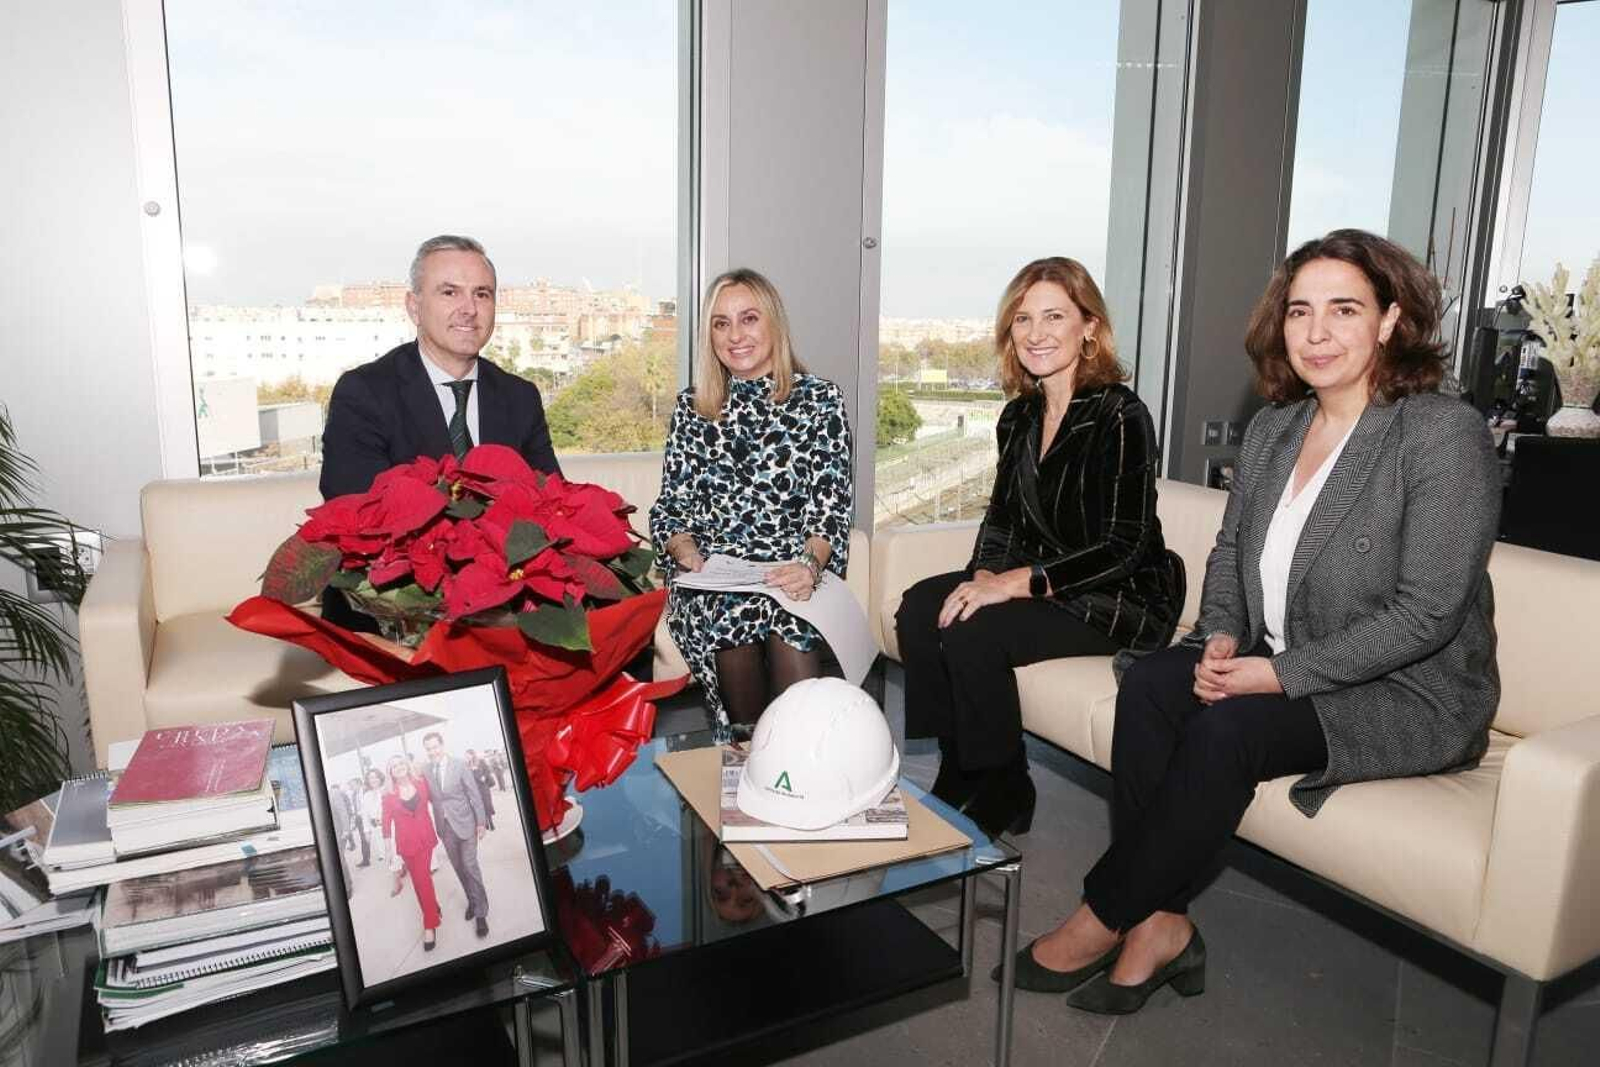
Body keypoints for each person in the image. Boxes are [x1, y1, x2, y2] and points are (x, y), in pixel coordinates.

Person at [1007, 229, 1501, 1015]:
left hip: (1407, 690)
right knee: (1152, 685)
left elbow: (1428, 613)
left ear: (1389, 319)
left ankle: (1105, 912)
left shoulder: (1440, 433)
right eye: (1300, 311)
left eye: (1344, 309)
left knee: (1226, 729)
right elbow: (1233, 553)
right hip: (1283, 653)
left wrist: (1274, 673)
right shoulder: (1275, 430)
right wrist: (1226, 634)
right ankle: (1164, 921)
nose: (1316, 331)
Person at [894, 257, 1183, 839]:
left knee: (974, 628)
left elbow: (1123, 545)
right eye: (1023, 319)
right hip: (1044, 584)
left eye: (1055, 316)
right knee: (924, 607)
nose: (1037, 333)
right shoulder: (1019, 414)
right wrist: (979, 575)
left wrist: (1011, 584)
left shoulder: (1121, 415)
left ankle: (1004, 783)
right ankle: (959, 768)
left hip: (1114, 597)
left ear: (1090, 327)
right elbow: (1002, 519)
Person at [318, 234, 561, 629]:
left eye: (482, 294)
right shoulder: (364, 393)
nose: (469, 309)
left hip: (505, 605)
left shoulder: (520, 397)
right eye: (449, 292)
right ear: (414, 306)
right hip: (389, 610)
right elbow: (360, 517)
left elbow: (548, 504)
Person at [649, 268, 854, 734]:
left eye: (748, 319)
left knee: (790, 627)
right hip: (717, 577)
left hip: (794, 567)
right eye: (721, 324)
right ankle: (749, 756)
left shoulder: (819, 401)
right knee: (734, 620)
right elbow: (672, 507)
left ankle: (797, 760)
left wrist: (808, 565)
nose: (735, 335)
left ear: (773, 325)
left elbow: (831, 507)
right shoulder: (693, 407)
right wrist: (684, 550)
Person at [423, 731, 491, 937]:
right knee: (459, 868)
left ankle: (481, 913)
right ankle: (472, 900)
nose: (432, 751)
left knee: (470, 866)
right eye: (428, 749)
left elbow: (473, 793)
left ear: (442, 745)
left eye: (435, 747)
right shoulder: (426, 769)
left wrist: (481, 822)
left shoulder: (459, 764)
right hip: (445, 828)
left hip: (466, 823)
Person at [381, 755, 442, 951]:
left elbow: (438, 801)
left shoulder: (422, 783)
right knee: (420, 881)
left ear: (406, 766)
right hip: (407, 845)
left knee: (423, 880)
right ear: (390, 772)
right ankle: (431, 916)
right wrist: (388, 849)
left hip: (426, 839)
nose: (398, 768)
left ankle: (431, 915)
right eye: (393, 766)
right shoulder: (388, 795)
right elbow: (385, 822)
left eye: (400, 764)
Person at [360, 769, 388, 865]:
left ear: (380, 778)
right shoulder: (366, 796)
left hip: (390, 827)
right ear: (367, 780)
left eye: (376, 777)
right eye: (371, 778)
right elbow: (365, 815)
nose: (374, 780)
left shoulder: (386, 790)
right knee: (385, 854)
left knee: (395, 852)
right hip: (377, 829)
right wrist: (367, 831)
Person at [466, 749, 496, 831]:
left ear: (472, 754)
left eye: (468, 755)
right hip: (475, 789)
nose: (467, 757)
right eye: (466, 756)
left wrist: (485, 777)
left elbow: (488, 770)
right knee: (480, 806)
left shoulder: (481, 761)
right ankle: (485, 822)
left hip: (484, 786)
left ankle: (491, 822)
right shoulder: (467, 765)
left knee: (487, 804)